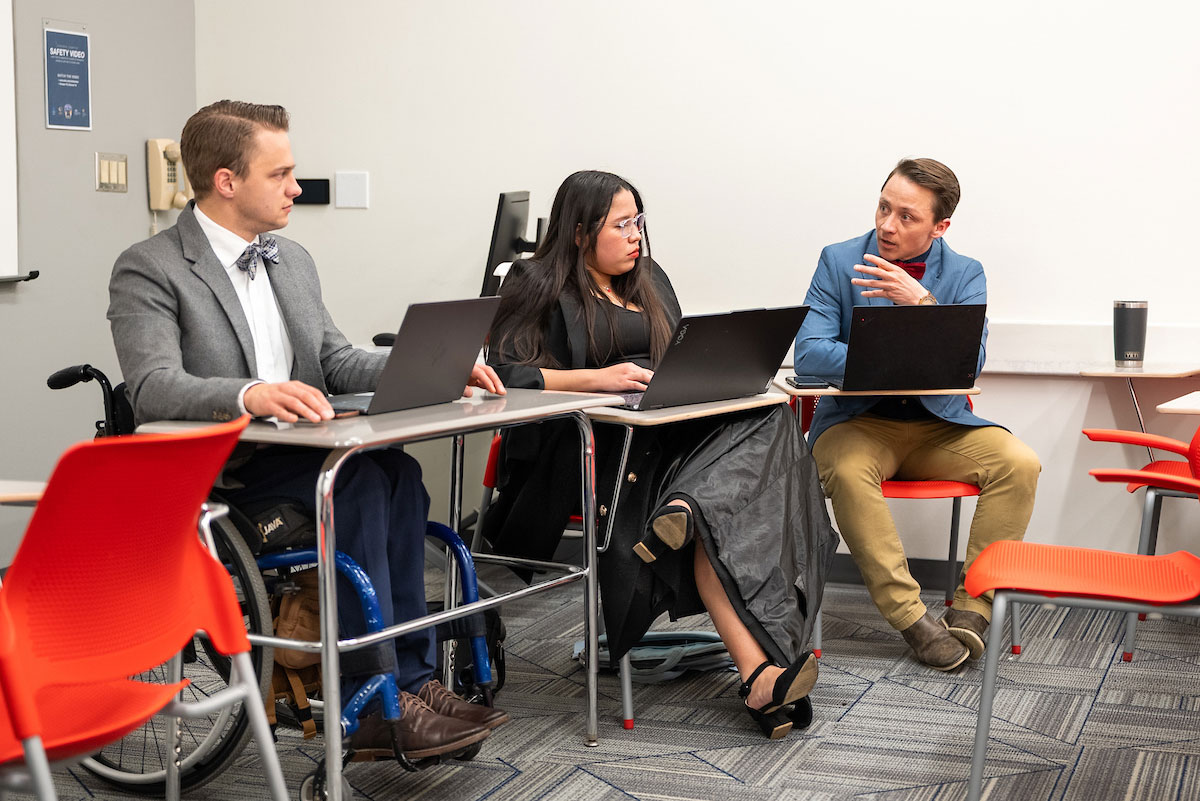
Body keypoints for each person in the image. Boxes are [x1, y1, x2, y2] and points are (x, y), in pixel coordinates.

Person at [107, 100, 508, 762]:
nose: (296, 187)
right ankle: (376, 699)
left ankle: (413, 681)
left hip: (304, 450)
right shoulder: (150, 266)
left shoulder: (290, 258)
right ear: (227, 180)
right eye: (282, 173)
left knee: (400, 475)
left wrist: (436, 363)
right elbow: (153, 385)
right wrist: (250, 392)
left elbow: (338, 359)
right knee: (358, 489)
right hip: (228, 469)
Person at [483, 170, 838, 739]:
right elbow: (501, 374)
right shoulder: (533, 283)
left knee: (771, 412)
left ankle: (758, 671)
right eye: (621, 225)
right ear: (578, 233)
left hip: (669, 439)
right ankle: (696, 521)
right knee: (729, 510)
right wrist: (596, 380)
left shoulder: (649, 279)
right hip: (594, 451)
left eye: (639, 222)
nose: (636, 237)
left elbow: (680, 355)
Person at [793, 157, 1041, 671]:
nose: (887, 225)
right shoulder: (838, 261)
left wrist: (922, 304)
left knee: (1018, 462)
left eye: (907, 216)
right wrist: (910, 353)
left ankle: (974, 608)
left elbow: (968, 364)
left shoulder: (966, 273)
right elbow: (812, 354)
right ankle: (912, 619)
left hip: (938, 426)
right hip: (857, 423)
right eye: (884, 207)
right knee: (846, 469)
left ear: (940, 226)